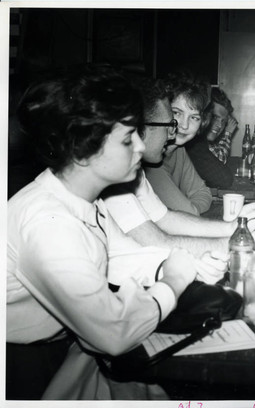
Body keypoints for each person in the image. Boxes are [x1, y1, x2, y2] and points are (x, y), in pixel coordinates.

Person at [6, 64, 200, 400]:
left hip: (70, 346)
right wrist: (174, 281)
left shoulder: (82, 199)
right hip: (24, 369)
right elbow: (114, 333)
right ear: (84, 151)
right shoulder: (47, 221)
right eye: (128, 138)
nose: (140, 146)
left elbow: (112, 261)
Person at [102, 74, 255, 259]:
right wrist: (238, 244)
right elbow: (159, 241)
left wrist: (234, 226)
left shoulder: (135, 170)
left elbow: (166, 218)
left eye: (194, 117)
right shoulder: (118, 173)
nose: (177, 129)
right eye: (174, 117)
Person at [143, 72, 212, 215]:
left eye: (194, 117)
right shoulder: (150, 158)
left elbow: (203, 193)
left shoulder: (178, 150)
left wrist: (191, 210)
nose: (184, 125)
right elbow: (188, 211)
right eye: (176, 113)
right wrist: (190, 211)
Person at [186, 87, 238, 189]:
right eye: (214, 117)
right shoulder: (193, 144)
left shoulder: (203, 143)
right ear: (204, 115)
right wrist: (227, 134)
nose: (219, 125)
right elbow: (223, 175)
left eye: (223, 121)